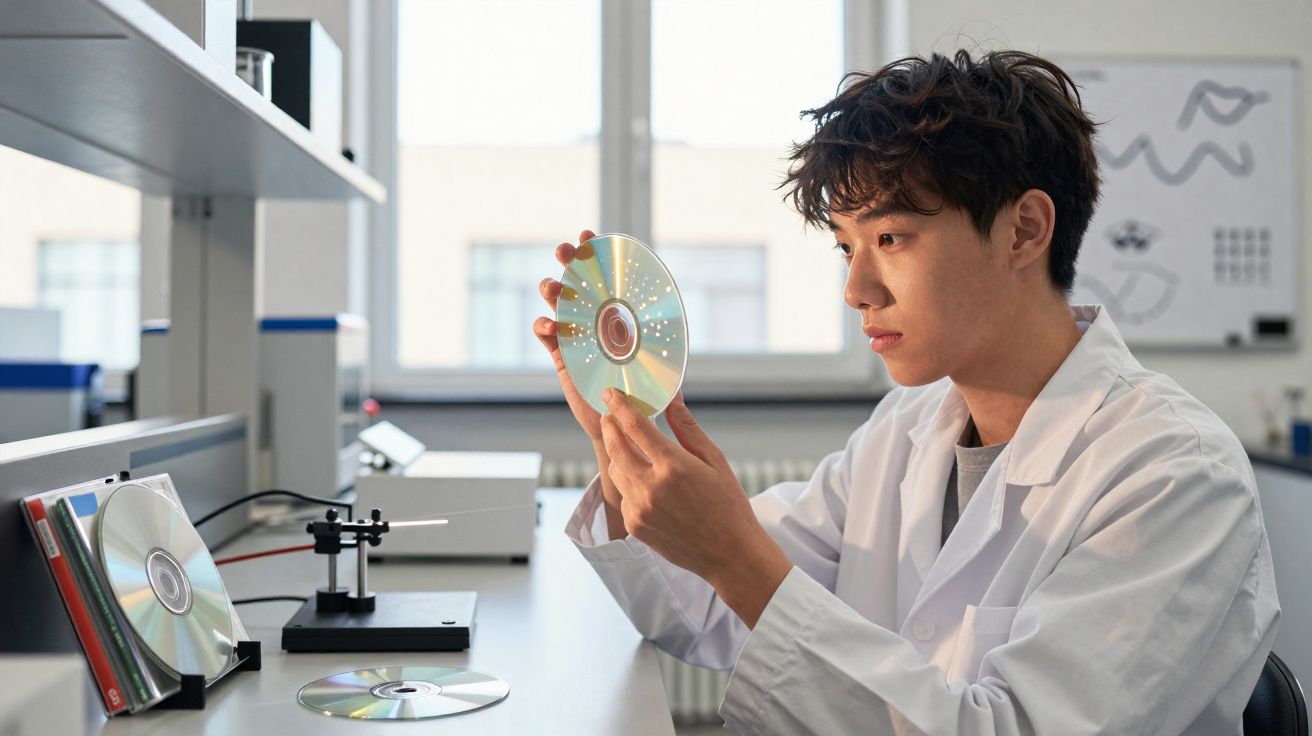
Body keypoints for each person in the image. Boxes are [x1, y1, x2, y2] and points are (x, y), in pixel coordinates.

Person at [532, 50, 1278, 735]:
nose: (856, 289)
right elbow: (698, 614)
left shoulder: (1175, 475)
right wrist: (619, 436)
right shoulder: (907, 429)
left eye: (889, 238)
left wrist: (736, 556)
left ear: (1024, 231)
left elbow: (1012, 727)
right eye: (845, 246)